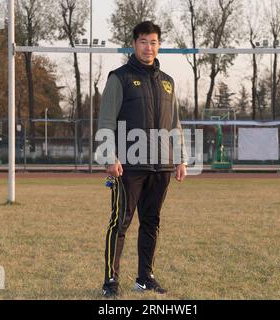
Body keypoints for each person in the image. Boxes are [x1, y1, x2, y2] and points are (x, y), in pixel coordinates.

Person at [98, 21, 187, 298]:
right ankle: (111, 282)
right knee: (119, 223)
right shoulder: (119, 78)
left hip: (161, 165)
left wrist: (180, 158)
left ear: (158, 45)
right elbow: (106, 120)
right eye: (143, 42)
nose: (149, 47)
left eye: (153, 42)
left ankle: (145, 277)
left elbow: (175, 124)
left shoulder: (168, 83)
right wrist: (110, 157)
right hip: (128, 165)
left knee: (151, 222)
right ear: (134, 44)